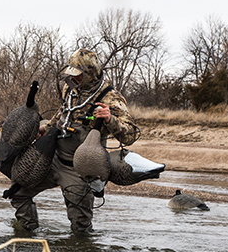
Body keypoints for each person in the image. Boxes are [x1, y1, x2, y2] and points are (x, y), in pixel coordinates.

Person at [9, 48, 140, 235]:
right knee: (17, 192)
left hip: (79, 171)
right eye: (72, 74)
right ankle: (27, 237)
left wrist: (111, 119)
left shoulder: (111, 98)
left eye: (79, 76)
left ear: (90, 73)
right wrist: (45, 129)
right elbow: (62, 112)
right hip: (52, 158)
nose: (74, 79)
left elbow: (130, 136)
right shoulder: (68, 88)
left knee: (81, 229)